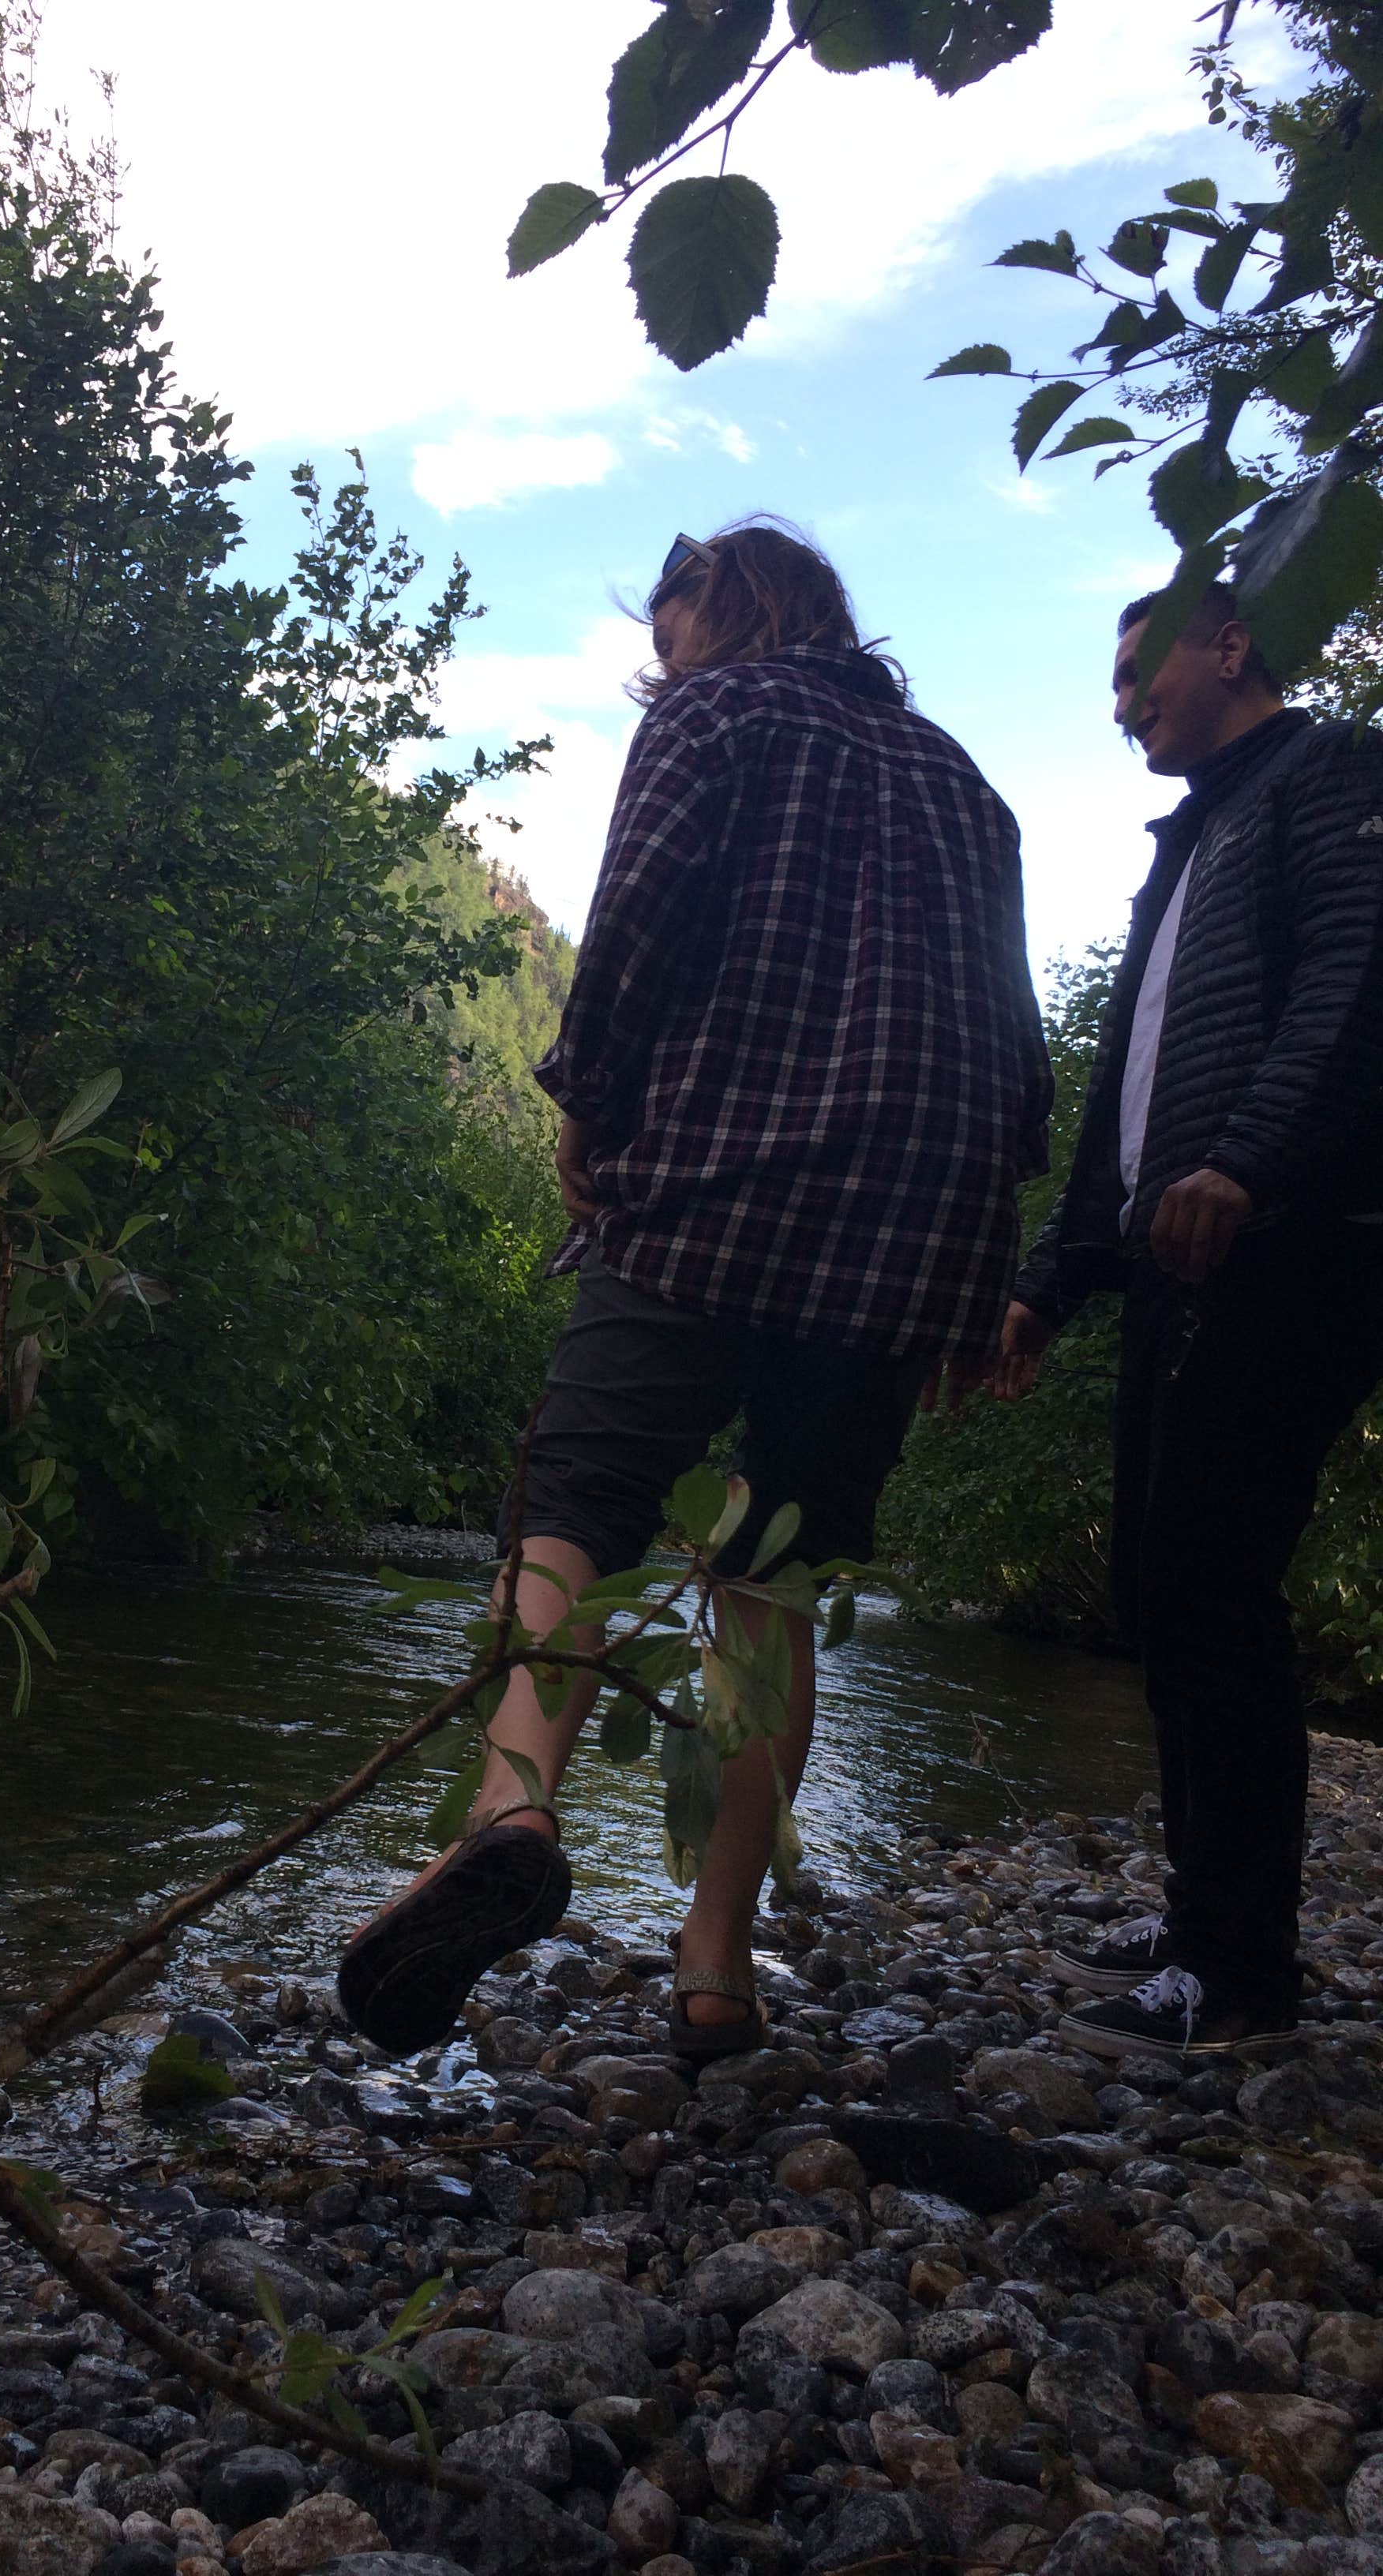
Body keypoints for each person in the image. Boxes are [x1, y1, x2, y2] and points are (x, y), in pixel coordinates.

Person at [338, 517, 1052, 2061]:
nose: (660, 668)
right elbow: (1016, 1041)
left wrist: (585, 1104)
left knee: (581, 1495)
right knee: (771, 1575)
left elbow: (638, 928)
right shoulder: (968, 787)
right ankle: (716, 1965)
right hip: (915, 1219)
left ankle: (511, 1813)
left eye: (669, 637)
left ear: (727, 613)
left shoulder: (717, 714)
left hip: (722, 1172)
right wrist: (979, 1265)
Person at [995, 582, 1383, 2064]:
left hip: (1295, 1248)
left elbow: (1356, 979)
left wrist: (1252, 1163)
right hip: (1182, 1259)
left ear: (1228, 647)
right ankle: (1201, 1919)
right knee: (1159, 1589)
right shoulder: (1195, 837)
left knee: (1214, 1584)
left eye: (1134, 673)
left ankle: (1239, 1973)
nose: (1120, 707)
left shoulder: (1333, 774)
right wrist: (1052, 1277)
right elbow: (1129, 1092)